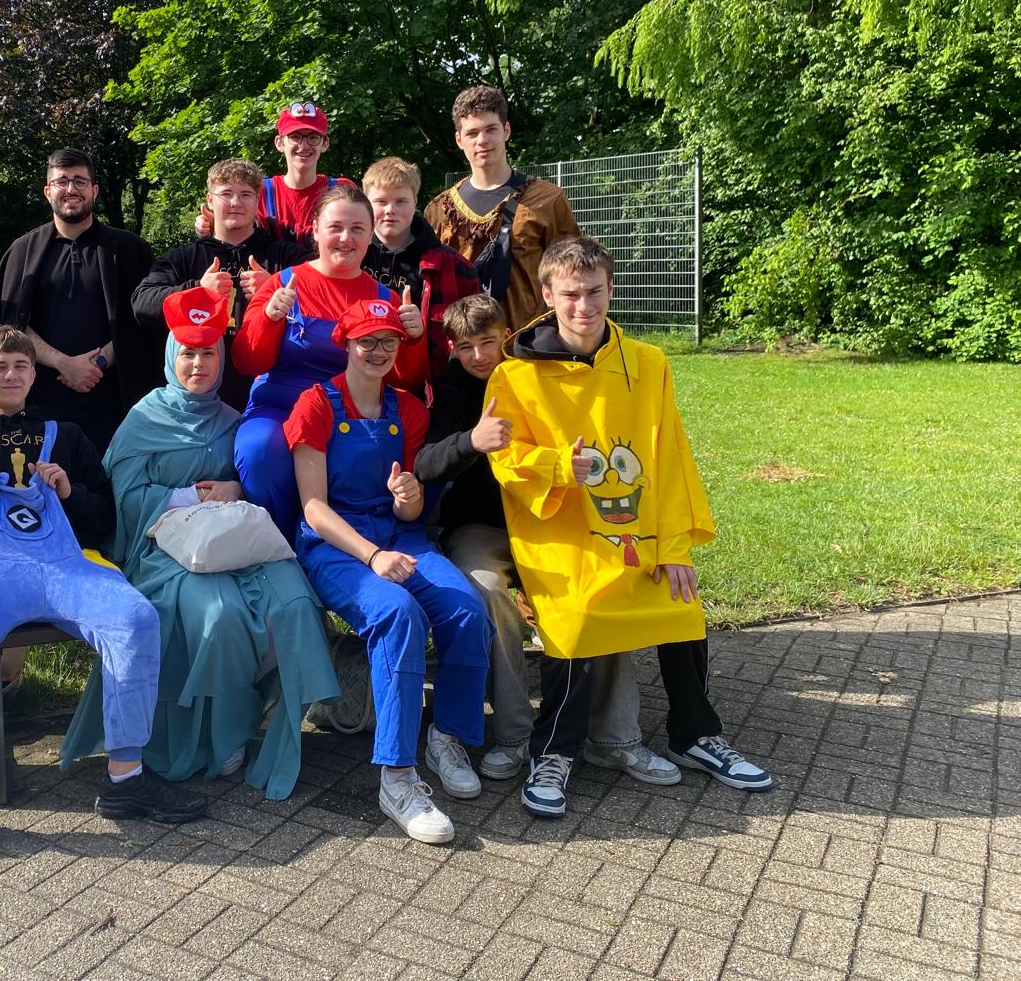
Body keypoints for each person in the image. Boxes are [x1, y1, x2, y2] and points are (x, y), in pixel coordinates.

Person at [0, 326, 206, 870]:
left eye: (21, 365)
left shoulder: (67, 437)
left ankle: (126, 778)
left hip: (69, 568)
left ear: (35, 374)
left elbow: (106, 519)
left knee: (134, 620)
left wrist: (69, 492)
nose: (11, 375)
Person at [490, 236, 773, 818]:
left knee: (681, 606)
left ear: (612, 289)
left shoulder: (648, 363)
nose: (584, 306)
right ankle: (554, 751)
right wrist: (558, 466)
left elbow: (669, 459)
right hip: (562, 532)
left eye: (595, 292)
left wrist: (674, 546)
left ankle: (695, 735)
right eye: (571, 294)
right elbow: (504, 458)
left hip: (640, 528)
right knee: (577, 617)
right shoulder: (514, 375)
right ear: (547, 295)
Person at [61, 288, 340, 799]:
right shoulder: (144, 420)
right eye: (188, 353)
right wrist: (191, 496)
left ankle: (268, 718)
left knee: (295, 603)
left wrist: (235, 489)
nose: (198, 364)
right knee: (219, 616)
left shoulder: (233, 420)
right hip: (164, 550)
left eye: (208, 352)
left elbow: (256, 485)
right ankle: (218, 735)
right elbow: (122, 500)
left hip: (237, 544)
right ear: (172, 355)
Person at [414, 294, 681, 788]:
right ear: (452, 350)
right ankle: (514, 733)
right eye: (465, 347)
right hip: (485, 527)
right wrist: (472, 441)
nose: (478, 356)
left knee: (603, 581)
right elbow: (425, 464)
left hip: (559, 522)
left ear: (506, 336)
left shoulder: (539, 372)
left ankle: (615, 738)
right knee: (486, 589)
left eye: (487, 342)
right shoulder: (453, 390)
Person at [287, 298, 492, 844]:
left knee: (467, 610)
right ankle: (397, 778)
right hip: (336, 546)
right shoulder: (315, 405)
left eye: (388, 341)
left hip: (401, 537)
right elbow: (313, 508)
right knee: (399, 615)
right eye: (367, 341)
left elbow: (411, 509)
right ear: (346, 343)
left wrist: (408, 497)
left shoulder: (409, 409)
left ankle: (447, 737)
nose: (378, 351)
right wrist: (372, 556)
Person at [231, 187, 428, 538]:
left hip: (351, 416)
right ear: (316, 230)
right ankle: (280, 543)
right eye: (335, 227)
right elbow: (246, 361)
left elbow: (406, 381)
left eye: (357, 229)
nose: (345, 238)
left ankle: (350, 543)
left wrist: (413, 339)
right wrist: (269, 318)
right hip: (279, 407)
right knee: (260, 450)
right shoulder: (282, 284)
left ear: (371, 235)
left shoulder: (385, 299)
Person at [0, 148, 159, 454]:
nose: (71, 189)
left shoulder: (130, 249)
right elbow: (10, 324)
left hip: (116, 402)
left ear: (94, 190)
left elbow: (145, 318)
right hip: (40, 401)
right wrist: (63, 363)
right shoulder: (22, 252)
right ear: (48, 191)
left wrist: (99, 362)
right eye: (61, 181)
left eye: (80, 181)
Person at [132, 159, 310, 410]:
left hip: (272, 390)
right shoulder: (184, 258)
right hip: (202, 398)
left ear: (257, 201)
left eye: (245, 194)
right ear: (210, 200)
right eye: (226, 194)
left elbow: (326, 299)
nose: (236, 202)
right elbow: (142, 304)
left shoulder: (288, 257)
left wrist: (274, 287)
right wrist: (196, 291)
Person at [423, 86, 580, 331]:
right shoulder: (439, 210)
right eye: (472, 133)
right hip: (463, 344)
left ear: (506, 131)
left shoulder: (547, 199)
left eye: (491, 129)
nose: (482, 140)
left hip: (529, 341)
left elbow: (573, 276)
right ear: (459, 140)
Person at [360, 156, 481, 385]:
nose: (390, 210)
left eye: (401, 201)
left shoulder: (455, 268)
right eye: (381, 201)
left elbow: (474, 340)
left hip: (428, 391)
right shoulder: (350, 259)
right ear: (366, 203)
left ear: (415, 201)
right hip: (355, 386)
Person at [195, 103, 353, 241]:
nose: (304, 145)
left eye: (313, 137)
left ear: (325, 144)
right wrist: (214, 224)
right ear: (279, 143)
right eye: (295, 137)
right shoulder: (257, 191)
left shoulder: (343, 190)